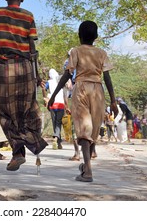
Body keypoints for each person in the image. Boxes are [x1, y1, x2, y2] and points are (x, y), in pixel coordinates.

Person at [0, 0, 48, 171]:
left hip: (6, 68)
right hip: (26, 68)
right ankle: (28, 147)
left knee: (5, 113)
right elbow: (33, 48)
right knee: (27, 111)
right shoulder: (28, 16)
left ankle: (19, 151)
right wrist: (36, 75)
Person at [48, 20, 118, 182]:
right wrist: (113, 101)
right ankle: (86, 165)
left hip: (81, 89)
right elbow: (107, 77)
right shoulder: (102, 53)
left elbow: (67, 74)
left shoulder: (76, 51)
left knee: (84, 129)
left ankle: (87, 171)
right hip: (98, 91)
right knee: (92, 128)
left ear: (79, 36)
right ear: (97, 36)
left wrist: (53, 95)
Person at [42, 68, 70, 150]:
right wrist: (67, 106)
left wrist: (44, 97)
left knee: (55, 123)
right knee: (58, 123)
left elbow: (43, 88)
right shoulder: (61, 81)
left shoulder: (49, 82)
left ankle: (58, 142)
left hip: (52, 104)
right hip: (60, 104)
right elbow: (65, 95)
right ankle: (56, 138)